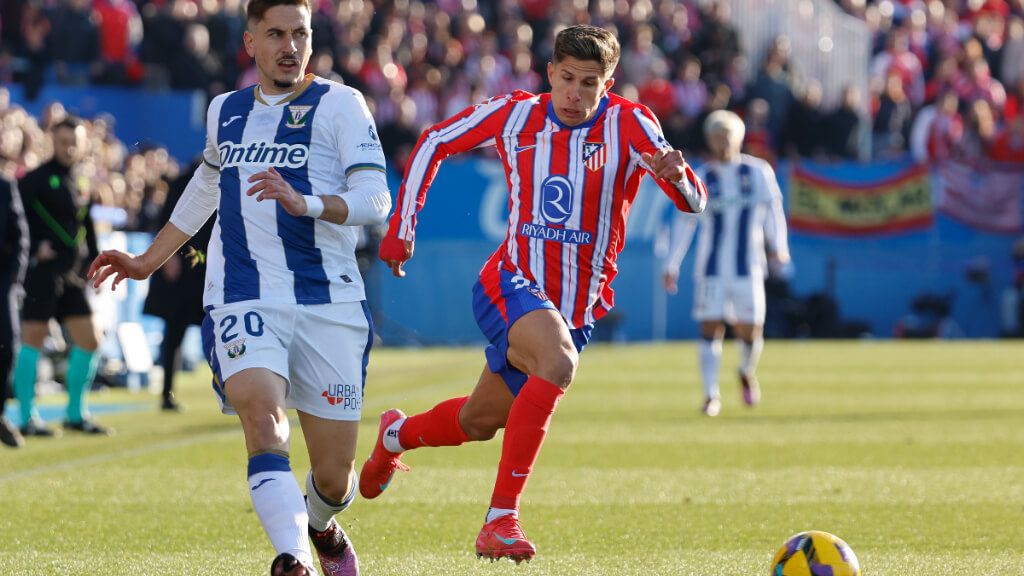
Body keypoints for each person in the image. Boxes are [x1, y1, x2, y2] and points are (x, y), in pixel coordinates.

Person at [360, 25, 707, 563]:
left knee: (478, 422)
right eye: (566, 78)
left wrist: (678, 176)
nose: (575, 93)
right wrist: (402, 227)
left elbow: (693, 201)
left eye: (589, 83)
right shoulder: (517, 113)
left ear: (608, 84)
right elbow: (434, 141)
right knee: (558, 362)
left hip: (575, 308)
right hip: (510, 279)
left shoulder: (631, 123)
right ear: (550, 73)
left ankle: (394, 438)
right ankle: (501, 519)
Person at [87, 0, 391, 574]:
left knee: (334, 477)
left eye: (299, 33)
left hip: (329, 302)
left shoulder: (342, 105)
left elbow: (377, 199)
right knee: (262, 417)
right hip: (242, 294)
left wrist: (307, 203)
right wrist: (149, 260)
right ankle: (293, 557)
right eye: (275, 34)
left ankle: (320, 526)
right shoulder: (225, 110)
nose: (290, 46)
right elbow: (208, 182)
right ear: (250, 42)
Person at [662, 110, 790, 417]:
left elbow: (773, 211)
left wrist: (779, 248)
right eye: (717, 137)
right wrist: (672, 263)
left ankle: (746, 370)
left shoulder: (758, 172)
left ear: (739, 139)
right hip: (711, 268)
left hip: (749, 265)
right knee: (711, 327)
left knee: (751, 330)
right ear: (709, 140)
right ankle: (710, 395)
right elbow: (685, 221)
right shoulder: (703, 176)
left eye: (728, 136)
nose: (723, 143)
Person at [13, 117, 111, 438]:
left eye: (74, 141)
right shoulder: (36, 179)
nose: (68, 146)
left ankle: (74, 414)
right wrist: (32, 249)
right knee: (33, 340)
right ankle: (26, 417)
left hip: (71, 275)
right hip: (42, 273)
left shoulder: (81, 181)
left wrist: (95, 260)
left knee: (90, 340)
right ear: (51, 141)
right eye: (62, 140)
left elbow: (85, 225)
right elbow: (14, 219)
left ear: (83, 144)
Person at [142, 158, 216, 412]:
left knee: (220, 329)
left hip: (212, 266)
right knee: (174, 332)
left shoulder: (231, 173)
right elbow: (167, 219)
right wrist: (168, 256)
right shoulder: (185, 179)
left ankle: (232, 389)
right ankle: (166, 393)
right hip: (184, 266)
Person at [0, 174, 29, 448]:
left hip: (2, 282)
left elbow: (20, 236)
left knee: (8, 346)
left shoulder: (5, 186)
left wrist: (13, 280)